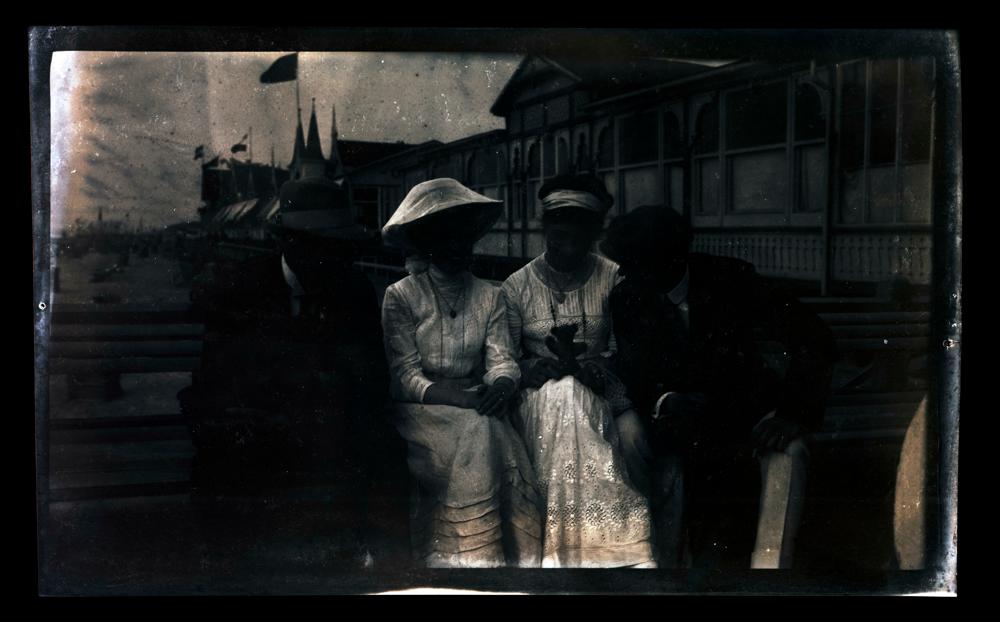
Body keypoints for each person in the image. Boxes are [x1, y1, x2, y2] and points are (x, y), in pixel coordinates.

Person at [179, 175, 408, 569]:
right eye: (323, 247)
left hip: (325, 424)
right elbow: (219, 376)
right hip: (258, 421)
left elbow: (371, 377)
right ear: (288, 242)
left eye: (342, 249)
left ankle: (378, 566)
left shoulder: (353, 289)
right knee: (225, 451)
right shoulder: (240, 287)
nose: (336, 260)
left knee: (382, 447)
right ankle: (231, 565)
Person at [599, 205, 837, 569]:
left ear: (672, 258)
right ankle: (666, 568)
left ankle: (771, 573)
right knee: (657, 456)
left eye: (637, 264)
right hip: (683, 424)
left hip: (749, 411)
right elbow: (635, 372)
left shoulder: (732, 279)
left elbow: (814, 335)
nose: (625, 274)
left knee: (789, 452)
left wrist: (792, 413)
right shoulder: (628, 296)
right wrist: (667, 399)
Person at [380, 178, 542, 568]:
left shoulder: (491, 295)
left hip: (477, 405)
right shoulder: (401, 296)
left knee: (484, 428)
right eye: (445, 238)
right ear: (426, 243)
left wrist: (502, 383)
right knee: (481, 429)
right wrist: (459, 398)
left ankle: (503, 560)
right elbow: (404, 375)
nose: (458, 247)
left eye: (463, 238)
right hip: (422, 413)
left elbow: (502, 359)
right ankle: (470, 559)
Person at [500, 174, 656, 568]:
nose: (567, 241)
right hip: (538, 399)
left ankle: (604, 547)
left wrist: (600, 368)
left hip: (605, 393)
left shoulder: (614, 277)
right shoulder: (516, 287)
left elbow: (627, 349)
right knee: (564, 396)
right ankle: (573, 552)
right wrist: (530, 368)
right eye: (558, 231)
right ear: (544, 228)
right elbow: (504, 356)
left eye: (579, 231)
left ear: (595, 232)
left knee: (633, 437)